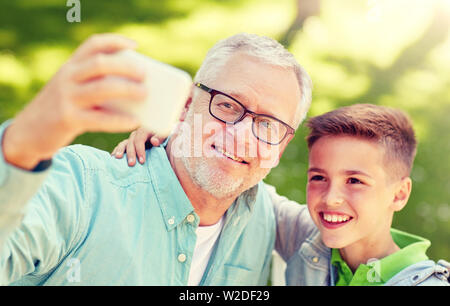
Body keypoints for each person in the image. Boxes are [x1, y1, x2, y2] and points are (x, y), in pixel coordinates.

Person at [0, 32, 313, 285]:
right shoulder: (83, 188)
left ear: (281, 147)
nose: (243, 135)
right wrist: (25, 144)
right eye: (228, 105)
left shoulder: (264, 216)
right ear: (187, 104)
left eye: (267, 125)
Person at [115, 104, 450, 286]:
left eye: (355, 181)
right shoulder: (312, 239)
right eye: (318, 177)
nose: (330, 198)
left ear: (400, 194)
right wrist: (185, 140)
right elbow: (241, 185)